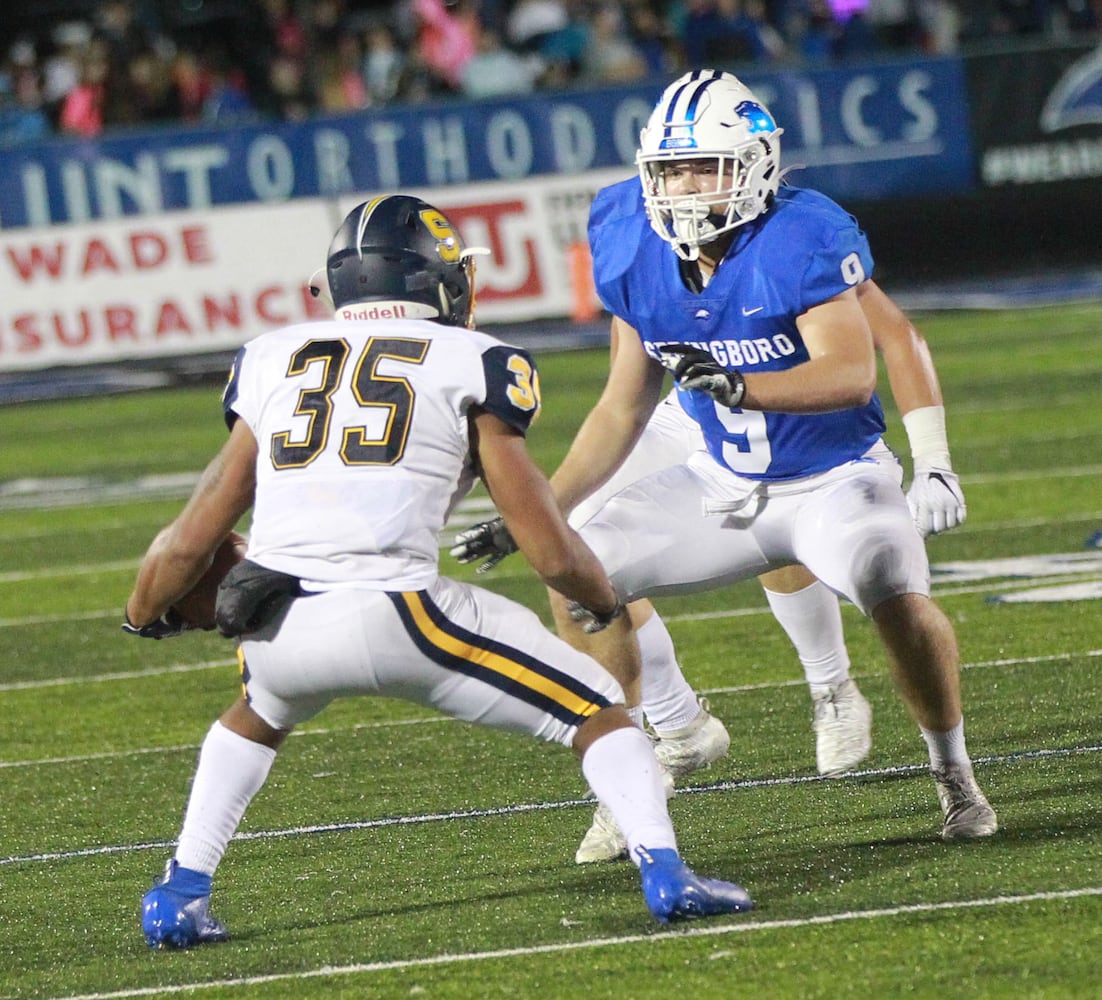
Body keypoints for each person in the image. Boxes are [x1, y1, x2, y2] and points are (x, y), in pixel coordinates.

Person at [123, 194, 752, 950]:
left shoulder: (269, 356)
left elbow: (191, 538)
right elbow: (547, 543)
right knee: (600, 711)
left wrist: (142, 613)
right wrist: (600, 596)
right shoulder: (477, 361)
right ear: (440, 281)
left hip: (279, 622)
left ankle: (181, 892)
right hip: (399, 613)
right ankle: (666, 872)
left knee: (255, 713)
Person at [452, 69, 997, 859]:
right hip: (719, 478)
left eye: (705, 166)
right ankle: (643, 763)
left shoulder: (802, 231)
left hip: (833, 480)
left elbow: (852, 372)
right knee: (571, 570)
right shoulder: (629, 237)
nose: (684, 188)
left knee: (893, 587)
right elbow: (620, 409)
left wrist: (750, 386)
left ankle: (954, 775)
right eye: (671, 170)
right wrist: (535, 516)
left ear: (756, 165)